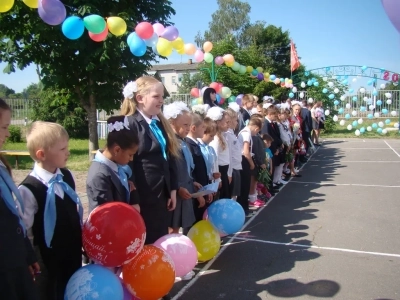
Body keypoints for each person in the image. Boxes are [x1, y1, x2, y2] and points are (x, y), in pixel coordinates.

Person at [19, 121, 83, 300]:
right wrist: (28, 259)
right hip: (47, 263)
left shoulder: (66, 176)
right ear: (42, 154)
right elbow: (26, 231)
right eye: (62, 149)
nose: (68, 152)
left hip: (71, 254)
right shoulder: (28, 189)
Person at [121, 77, 179, 245]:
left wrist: (172, 190)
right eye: (156, 96)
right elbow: (127, 166)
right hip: (144, 196)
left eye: (162, 96)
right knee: (144, 241)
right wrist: (134, 199)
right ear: (140, 98)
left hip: (161, 196)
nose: (161, 100)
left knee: (158, 238)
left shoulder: (158, 122)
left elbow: (169, 156)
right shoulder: (130, 124)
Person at [0, 98, 40, 300]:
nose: (7, 133)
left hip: (15, 261)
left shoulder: (1, 166)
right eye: (4, 127)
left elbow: (13, 216)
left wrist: (27, 253)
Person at [87, 116, 140, 213]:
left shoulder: (116, 166)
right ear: (117, 150)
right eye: (130, 155)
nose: (131, 159)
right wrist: (132, 210)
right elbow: (108, 213)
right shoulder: (100, 175)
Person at [163, 101, 198, 234]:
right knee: (173, 228)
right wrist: (177, 188)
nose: (188, 128)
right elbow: (170, 169)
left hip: (185, 188)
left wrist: (192, 181)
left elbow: (185, 166)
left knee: (178, 227)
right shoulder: (170, 142)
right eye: (185, 125)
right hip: (177, 191)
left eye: (189, 124)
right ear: (172, 123)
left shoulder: (183, 141)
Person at [186, 112, 210, 222]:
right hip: (196, 192)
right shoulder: (188, 145)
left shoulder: (196, 144)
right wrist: (198, 195)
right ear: (194, 128)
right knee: (194, 222)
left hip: (202, 190)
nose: (204, 130)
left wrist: (207, 190)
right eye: (203, 127)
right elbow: (192, 172)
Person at [237, 116, 262, 215]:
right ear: (256, 128)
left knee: (245, 185)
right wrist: (251, 164)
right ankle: (243, 207)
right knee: (244, 185)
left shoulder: (244, 132)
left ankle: (244, 206)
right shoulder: (246, 134)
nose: (256, 133)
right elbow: (246, 151)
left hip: (243, 159)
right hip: (244, 160)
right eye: (257, 131)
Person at [207, 106, 232, 199]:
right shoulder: (216, 139)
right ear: (218, 122)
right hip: (220, 171)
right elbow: (215, 158)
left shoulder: (222, 135)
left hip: (224, 171)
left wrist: (229, 173)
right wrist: (218, 179)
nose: (228, 124)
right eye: (226, 122)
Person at [224, 104, 242, 200]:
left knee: (235, 195)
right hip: (232, 169)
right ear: (230, 121)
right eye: (235, 120)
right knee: (232, 196)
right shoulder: (227, 135)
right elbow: (229, 155)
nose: (237, 123)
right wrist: (229, 173)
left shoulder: (231, 134)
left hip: (236, 167)